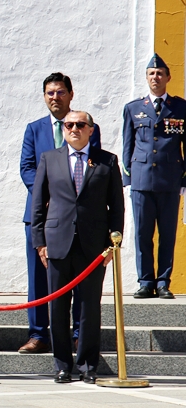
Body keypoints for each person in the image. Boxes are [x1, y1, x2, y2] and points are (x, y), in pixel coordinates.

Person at [31, 111, 124, 383]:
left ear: (90, 130)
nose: (73, 128)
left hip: (93, 247)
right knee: (58, 307)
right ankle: (62, 365)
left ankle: (87, 365)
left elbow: (116, 205)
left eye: (79, 125)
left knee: (89, 308)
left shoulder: (107, 161)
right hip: (57, 244)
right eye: (68, 125)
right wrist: (40, 244)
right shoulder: (50, 159)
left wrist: (112, 245)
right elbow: (38, 205)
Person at [20, 73, 101, 354]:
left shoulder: (87, 126)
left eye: (60, 92)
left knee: (80, 279)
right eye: (50, 93)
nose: (55, 97)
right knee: (39, 279)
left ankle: (79, 333)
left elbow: (94, 167)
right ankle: (39, 334)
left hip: (78, 220)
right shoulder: (34, 129)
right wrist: (52, 194)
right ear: (44, 97)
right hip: (41, 217)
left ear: (71, 94)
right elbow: (27, 168)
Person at [122, 54, 186, 299]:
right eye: (151, 73)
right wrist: (128, 178)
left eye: (160, 73)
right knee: (142, 233)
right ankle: (145, 281)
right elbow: (127, 146)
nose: (155, 77)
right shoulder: (133, 108)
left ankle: (163, 282)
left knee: (167, 233)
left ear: (168, 77)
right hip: (141, 179)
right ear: (147, 78)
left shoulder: (180, 107)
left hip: (170, 179)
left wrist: (184, 179)